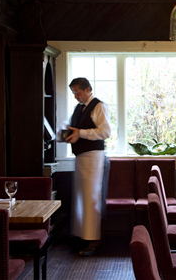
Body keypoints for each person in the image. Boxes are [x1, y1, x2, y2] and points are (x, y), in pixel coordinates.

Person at [65, 77, 111, 256]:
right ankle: (81, 238)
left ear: (88, 89)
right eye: (74, 93)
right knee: (80, 199)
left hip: (94, 158)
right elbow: (75, 130)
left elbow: (105, 131)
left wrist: (80, 133)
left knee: (91, 198)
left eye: (78, 92)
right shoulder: (78, 108)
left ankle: (93, 241)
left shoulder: (99, 106)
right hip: (81, 158)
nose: (76, 96)